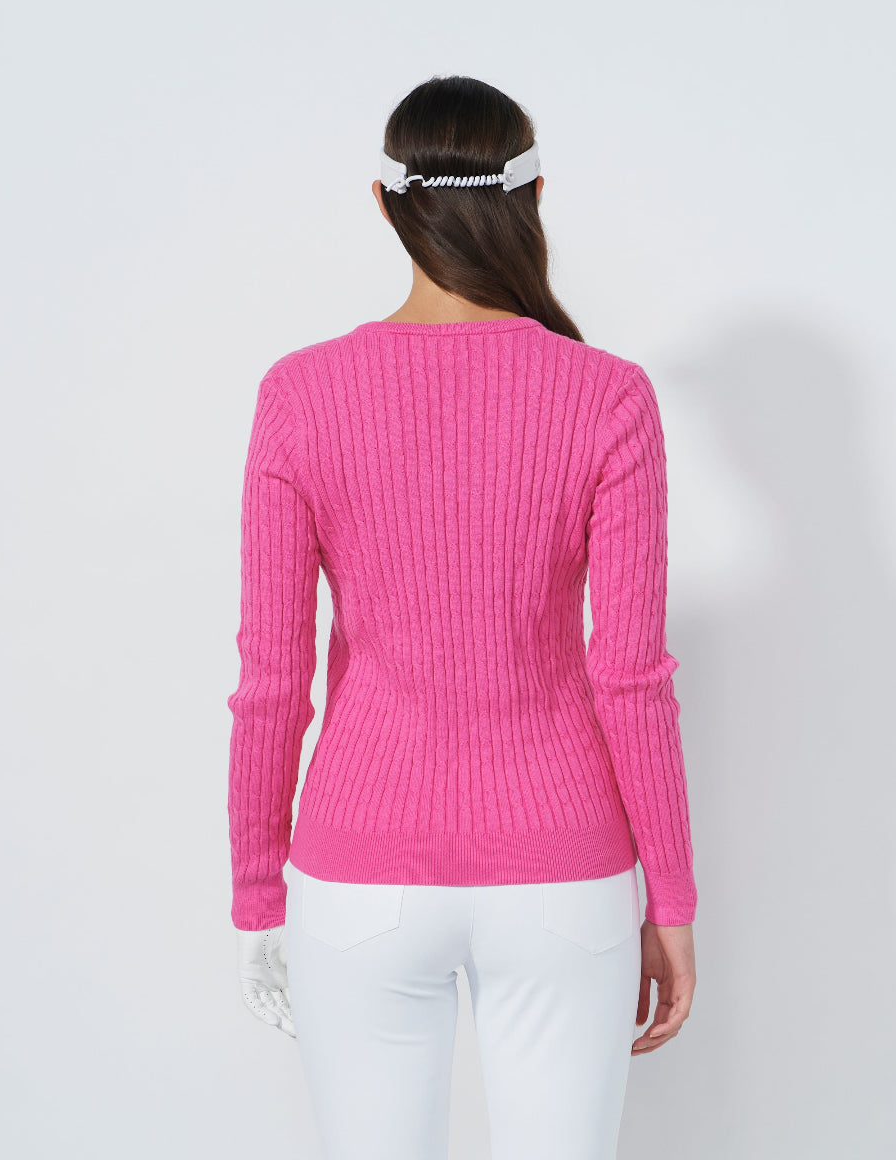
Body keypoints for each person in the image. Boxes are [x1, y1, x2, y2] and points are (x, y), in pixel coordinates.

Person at [226, 74, 698, 1160]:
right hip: (565, 877)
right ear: (533, 196)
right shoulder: (607, 394)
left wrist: (257, 893)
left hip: (358, 877)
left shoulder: (300, 394)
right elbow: (631, 676)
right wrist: (670, 899)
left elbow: (271, 682)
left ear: (385, 203)